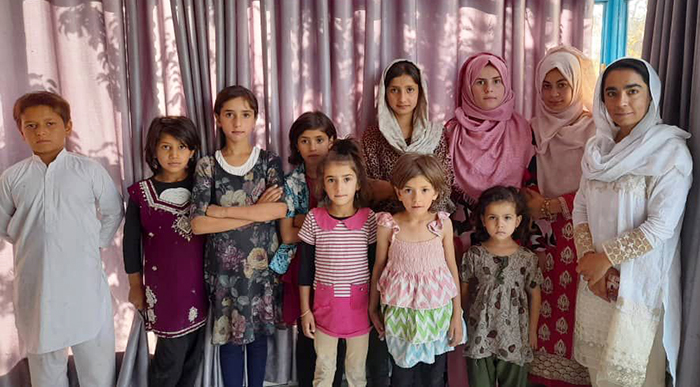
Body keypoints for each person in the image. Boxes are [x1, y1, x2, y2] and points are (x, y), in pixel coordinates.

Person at [572, 58, 692, 387]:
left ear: (651, 95)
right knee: (599, 375)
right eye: (611, 93)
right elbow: (580, 206)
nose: (621, 102)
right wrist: (589, 262)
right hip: (596, 282)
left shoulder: (669, 153)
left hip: (639, 288)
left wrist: (604, 260)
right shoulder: (598, 150)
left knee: (636, 377)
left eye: (632, 91)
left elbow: (660, 226)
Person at [0, 91, 124, 387]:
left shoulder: (88, 170)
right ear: (21, 130)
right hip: (37, 286)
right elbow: (3, 221)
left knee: (97, 370)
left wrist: (90, 244)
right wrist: (32, 239)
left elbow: (113, 211)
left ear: (67, 126)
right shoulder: (13, 177)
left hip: (84, 286)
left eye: (50, 123)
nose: (41, 131)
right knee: (46, 371)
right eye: (31, 126)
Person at [361, 58, 455, 387]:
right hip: (389, 232)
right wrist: (405, 189)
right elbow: (367, 189)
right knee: (392, 331)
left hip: (426, 231)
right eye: (395, 90)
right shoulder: (372, 137)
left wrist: (407, 190)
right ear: (384, 94)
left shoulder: (435, 133)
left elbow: (444, 184)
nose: (403, 97)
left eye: (410, 90)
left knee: (431, 356)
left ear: (421, 93)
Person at [445, 52, 535, 386]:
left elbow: (529, 184)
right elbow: (442, 187)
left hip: (509, 235)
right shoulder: (452, 131)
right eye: (480, 82)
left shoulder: (522, 128)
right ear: (467, 87)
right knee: (470, 327)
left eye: (496, 81)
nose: (489, 89)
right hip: (462, 241)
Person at [190, 85, 287, 387]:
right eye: (229, 114)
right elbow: (198, 224)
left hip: (261, 272)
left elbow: (278, 211)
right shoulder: (208, 165)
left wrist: (220, 212)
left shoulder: (268, 161)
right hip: (224, 273)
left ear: (255, 119)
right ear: (217, 118)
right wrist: (255, 209)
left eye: (245, 115)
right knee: (231, 338)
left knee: (258, 335)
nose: (237, 122)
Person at [524, 45, 596, 387]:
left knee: (573, 309)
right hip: (536, 234)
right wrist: (531, 202)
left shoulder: (595, 131)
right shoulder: (530, 129)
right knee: (537, 305)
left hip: (580, 233)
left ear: (577, 85)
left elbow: (599, 186)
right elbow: (522, 173)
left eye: (562, 85)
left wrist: (555, 205)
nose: (553, 94)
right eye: (546, 86)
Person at [123, 116, 207, 386]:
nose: (174, 154)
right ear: (153, 151)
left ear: (192, 151)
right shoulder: (141, 193)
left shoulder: (203, 188)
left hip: (201, 286)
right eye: (166, 147)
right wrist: (136, 286)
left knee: (194, 357)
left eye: (182, 147)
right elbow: (130, 244)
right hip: (164, 290)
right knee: (169, 359)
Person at [369, 153, 466, 387]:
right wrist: (372, 307)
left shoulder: (441, 224)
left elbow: (451, 268)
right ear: (398, 191)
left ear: (435, 192)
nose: (416, 198)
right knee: (402, 377)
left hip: (437, 315)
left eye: (424, 190)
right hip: (402, 315)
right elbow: (379, 267)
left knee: (434, 378)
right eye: (409, 190)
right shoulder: (388, 225)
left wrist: (456, 314)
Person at [270, 111, 345, 386]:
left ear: (331, 141)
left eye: (319, 139)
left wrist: (305, 218)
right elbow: (288, 235)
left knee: (337, 327)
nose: (313, 147)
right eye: (304, 140)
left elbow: (347, 223)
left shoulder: (341, 177)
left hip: (338, 262)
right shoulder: (290, 183)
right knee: (308, 330)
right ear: (296, 145)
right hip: (303, 263)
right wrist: (319, 219)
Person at [298, 139, 377, 387]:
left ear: (358, 183)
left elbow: (376, 268)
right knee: (323, 370)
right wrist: (305, 310)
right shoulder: (314, 219)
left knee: (356, 373)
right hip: (324, 311)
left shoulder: (369, 219)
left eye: (346, 179)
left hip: (360, 311)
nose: (339, 186)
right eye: (331, 179)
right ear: (323, 183)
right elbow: (305, 270)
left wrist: (376, 309)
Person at [461, 186, 542, 387]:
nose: (500, 224)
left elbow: (535, 294)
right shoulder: (474, 254)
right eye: (493, 218)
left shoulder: (526, 258)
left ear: (518, 220)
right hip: (480, 331)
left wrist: (532, 331)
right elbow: (463, 287)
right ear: (482, 219)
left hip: (515, 334)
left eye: (507, 217)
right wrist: (462, 319)